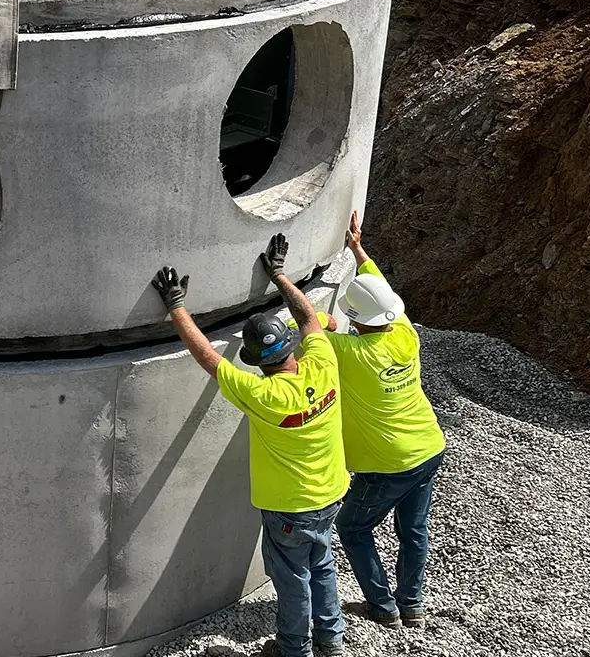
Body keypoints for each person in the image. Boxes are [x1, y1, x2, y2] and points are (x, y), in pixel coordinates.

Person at [152, 235, 348, 657]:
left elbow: (208, 357)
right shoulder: (323, 363)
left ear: (257, 361)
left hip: (291, 508)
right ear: (291, 346)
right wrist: (279, 274)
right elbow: (309, 316)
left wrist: (175, 306)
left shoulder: (264, 397)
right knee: (323, 564)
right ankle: (331, 640)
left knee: (293, 578)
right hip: (332, 492)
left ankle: (295, 650)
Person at [323, 212, 446, 630]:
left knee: (353, 527)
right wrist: (358, 251)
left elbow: (308, 329)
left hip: (387, 463)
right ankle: (411, 604)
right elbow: (382, 294)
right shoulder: (404, 332)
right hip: (428, 447)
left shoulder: (350, 353)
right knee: (413, 530)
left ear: (355, 320)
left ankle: (382, 606)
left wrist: (304, 302)